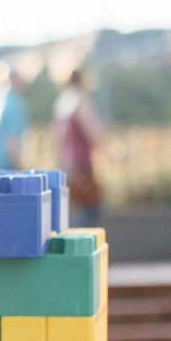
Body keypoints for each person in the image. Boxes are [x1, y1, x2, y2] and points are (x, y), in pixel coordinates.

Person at [52, 66, 105, 227]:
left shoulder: (62, 101)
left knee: (74, 207)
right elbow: (92, 132)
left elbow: (56, 135)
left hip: (66, 162)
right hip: (81, 162)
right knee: (90, 210)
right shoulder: (79, 100)